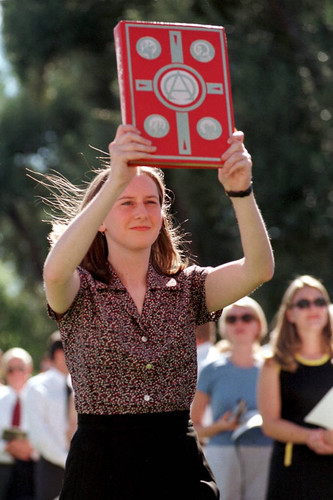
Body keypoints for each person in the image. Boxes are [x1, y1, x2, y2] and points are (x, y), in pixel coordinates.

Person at [42, 123, 274, 499]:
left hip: (178, 464)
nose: (141, 212)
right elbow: (54, 272)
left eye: (151, 202)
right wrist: (115, 180)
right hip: (102, 467)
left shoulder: (188, 287)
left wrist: (240, 190)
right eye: (126, 201)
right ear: (100, 219)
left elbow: (259, 269)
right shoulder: (79, 288)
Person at [257, 275, 333, 500]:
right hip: (293, 473)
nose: (313, 308)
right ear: (290, 314)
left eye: (319, 302)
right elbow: (270, 425)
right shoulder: (273, 362)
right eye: (303, 303)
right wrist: (313, 437)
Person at [191, 296, 272, 500]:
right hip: (221, 456)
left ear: (259, 325)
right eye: (232, 319)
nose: (239, 323)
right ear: (223, 327)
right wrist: (219, 426)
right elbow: (193, 428)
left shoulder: (271, 368)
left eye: (246, 317)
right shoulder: (212, 369)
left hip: (265, 454)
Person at [25, 331, 75, 500]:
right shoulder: (37, 386)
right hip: (50, 469)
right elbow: (39, 435)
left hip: (78, 466)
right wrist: (66, 459)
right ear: (60, 354)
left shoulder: (77, 387)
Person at [0, 348, 36, 500]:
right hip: (3, 467)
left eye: (20, 368)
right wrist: (7, 447)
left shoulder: (38, 398)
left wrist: (31, 450)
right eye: (10, 369)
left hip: (31, 469)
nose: (15, 373)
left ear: (29, 370)